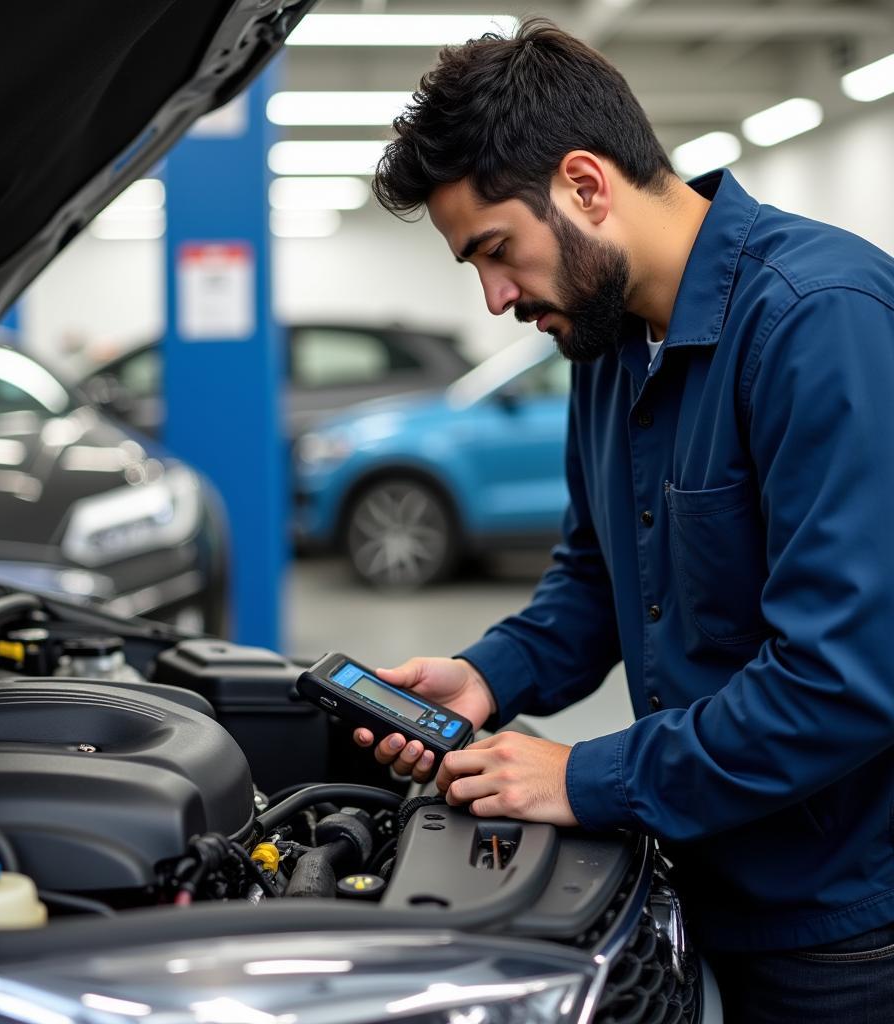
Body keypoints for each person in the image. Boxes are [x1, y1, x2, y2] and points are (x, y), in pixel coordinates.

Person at [351, 16, 894, 1023]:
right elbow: (598, 579)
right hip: (702, 873)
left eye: (495, 250)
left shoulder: (819, 320)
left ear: (585, 185)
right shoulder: (606, 348)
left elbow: (845, 676)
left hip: (844, 927)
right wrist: (486, 675)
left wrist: (587, 776)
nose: (496, 295)